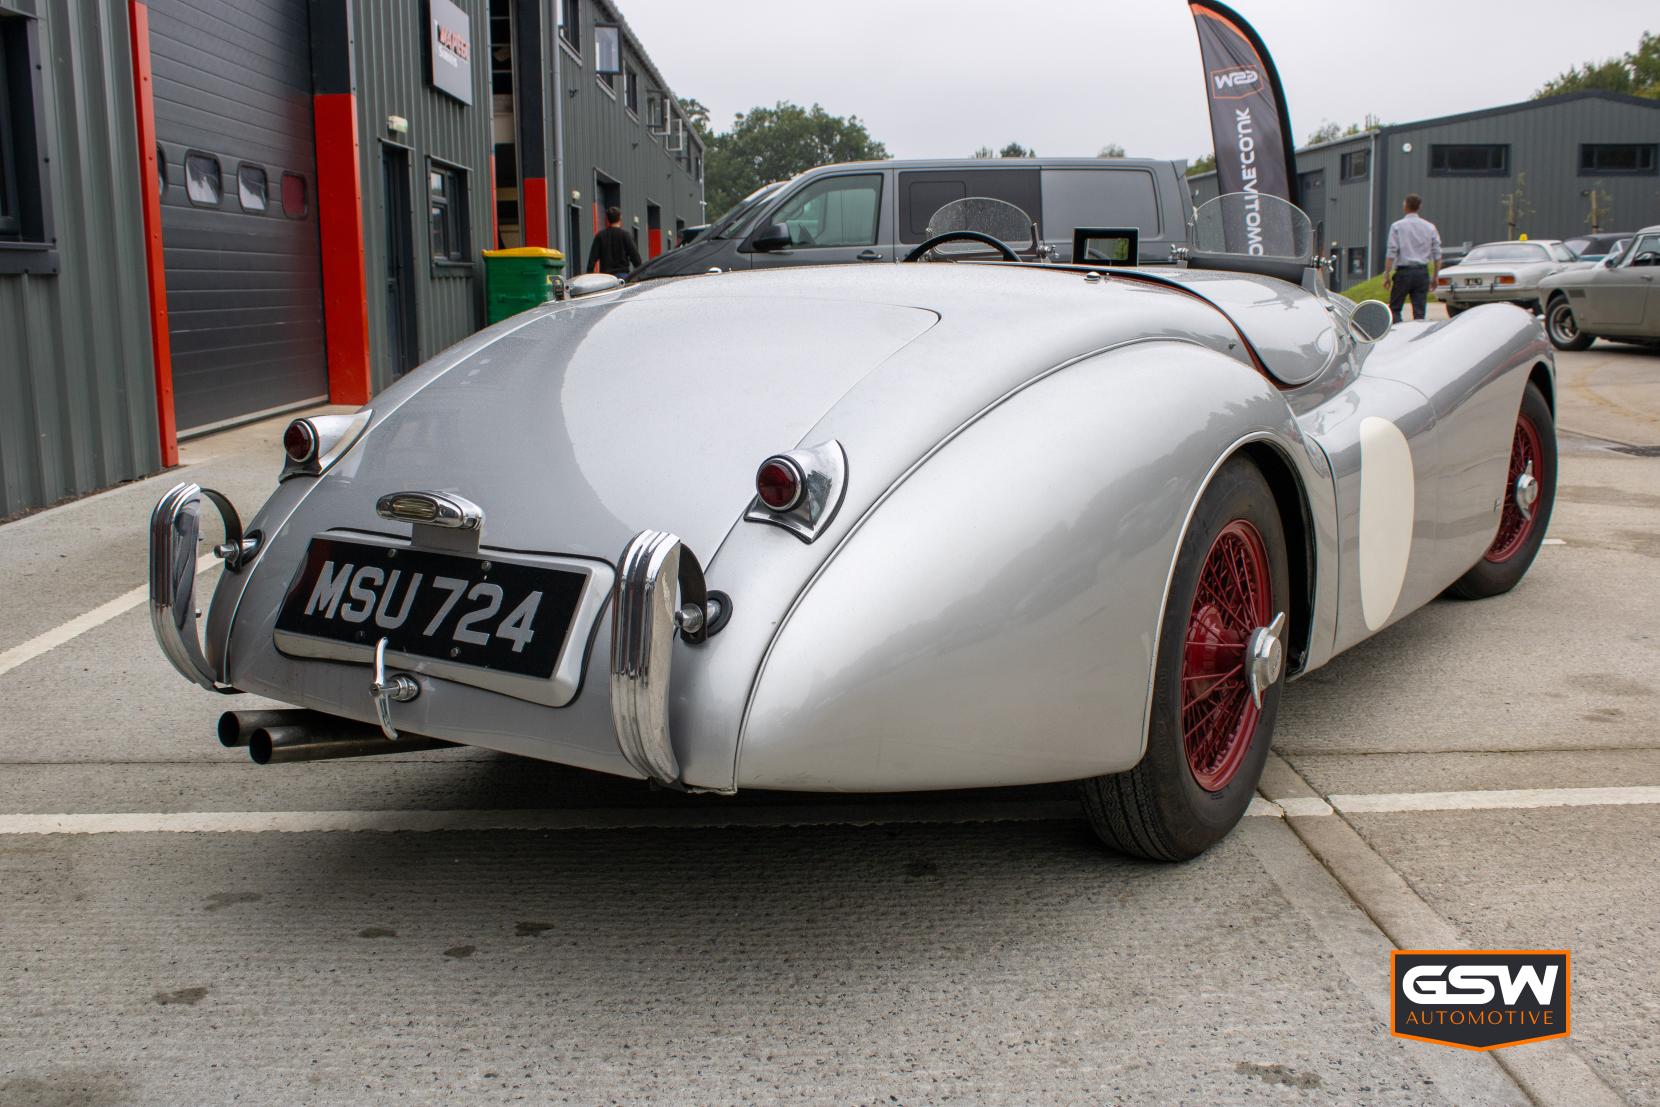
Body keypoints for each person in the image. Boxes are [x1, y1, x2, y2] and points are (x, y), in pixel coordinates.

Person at [1383, 194, 1441, 323]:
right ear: (1419, 207)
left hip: (1404, 272)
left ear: (1405, 206)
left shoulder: (1397, 226)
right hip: (1422, 272)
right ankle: (1417, 335)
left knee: (1395, 308)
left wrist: (1387, 274)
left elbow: (1391, 251)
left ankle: (1398, 332)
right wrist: (1435, 276)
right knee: (1419, 311)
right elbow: (1437, 254)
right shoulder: (1429, 227)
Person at [586, 206, 641, 278]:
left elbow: (592, 259)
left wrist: (589, 275)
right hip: (622, 276)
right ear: (620, 218)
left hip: (605, 277)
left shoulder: (600, 236)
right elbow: (635, 257)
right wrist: (640, 272)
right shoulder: (625, 235)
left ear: (607, 219)